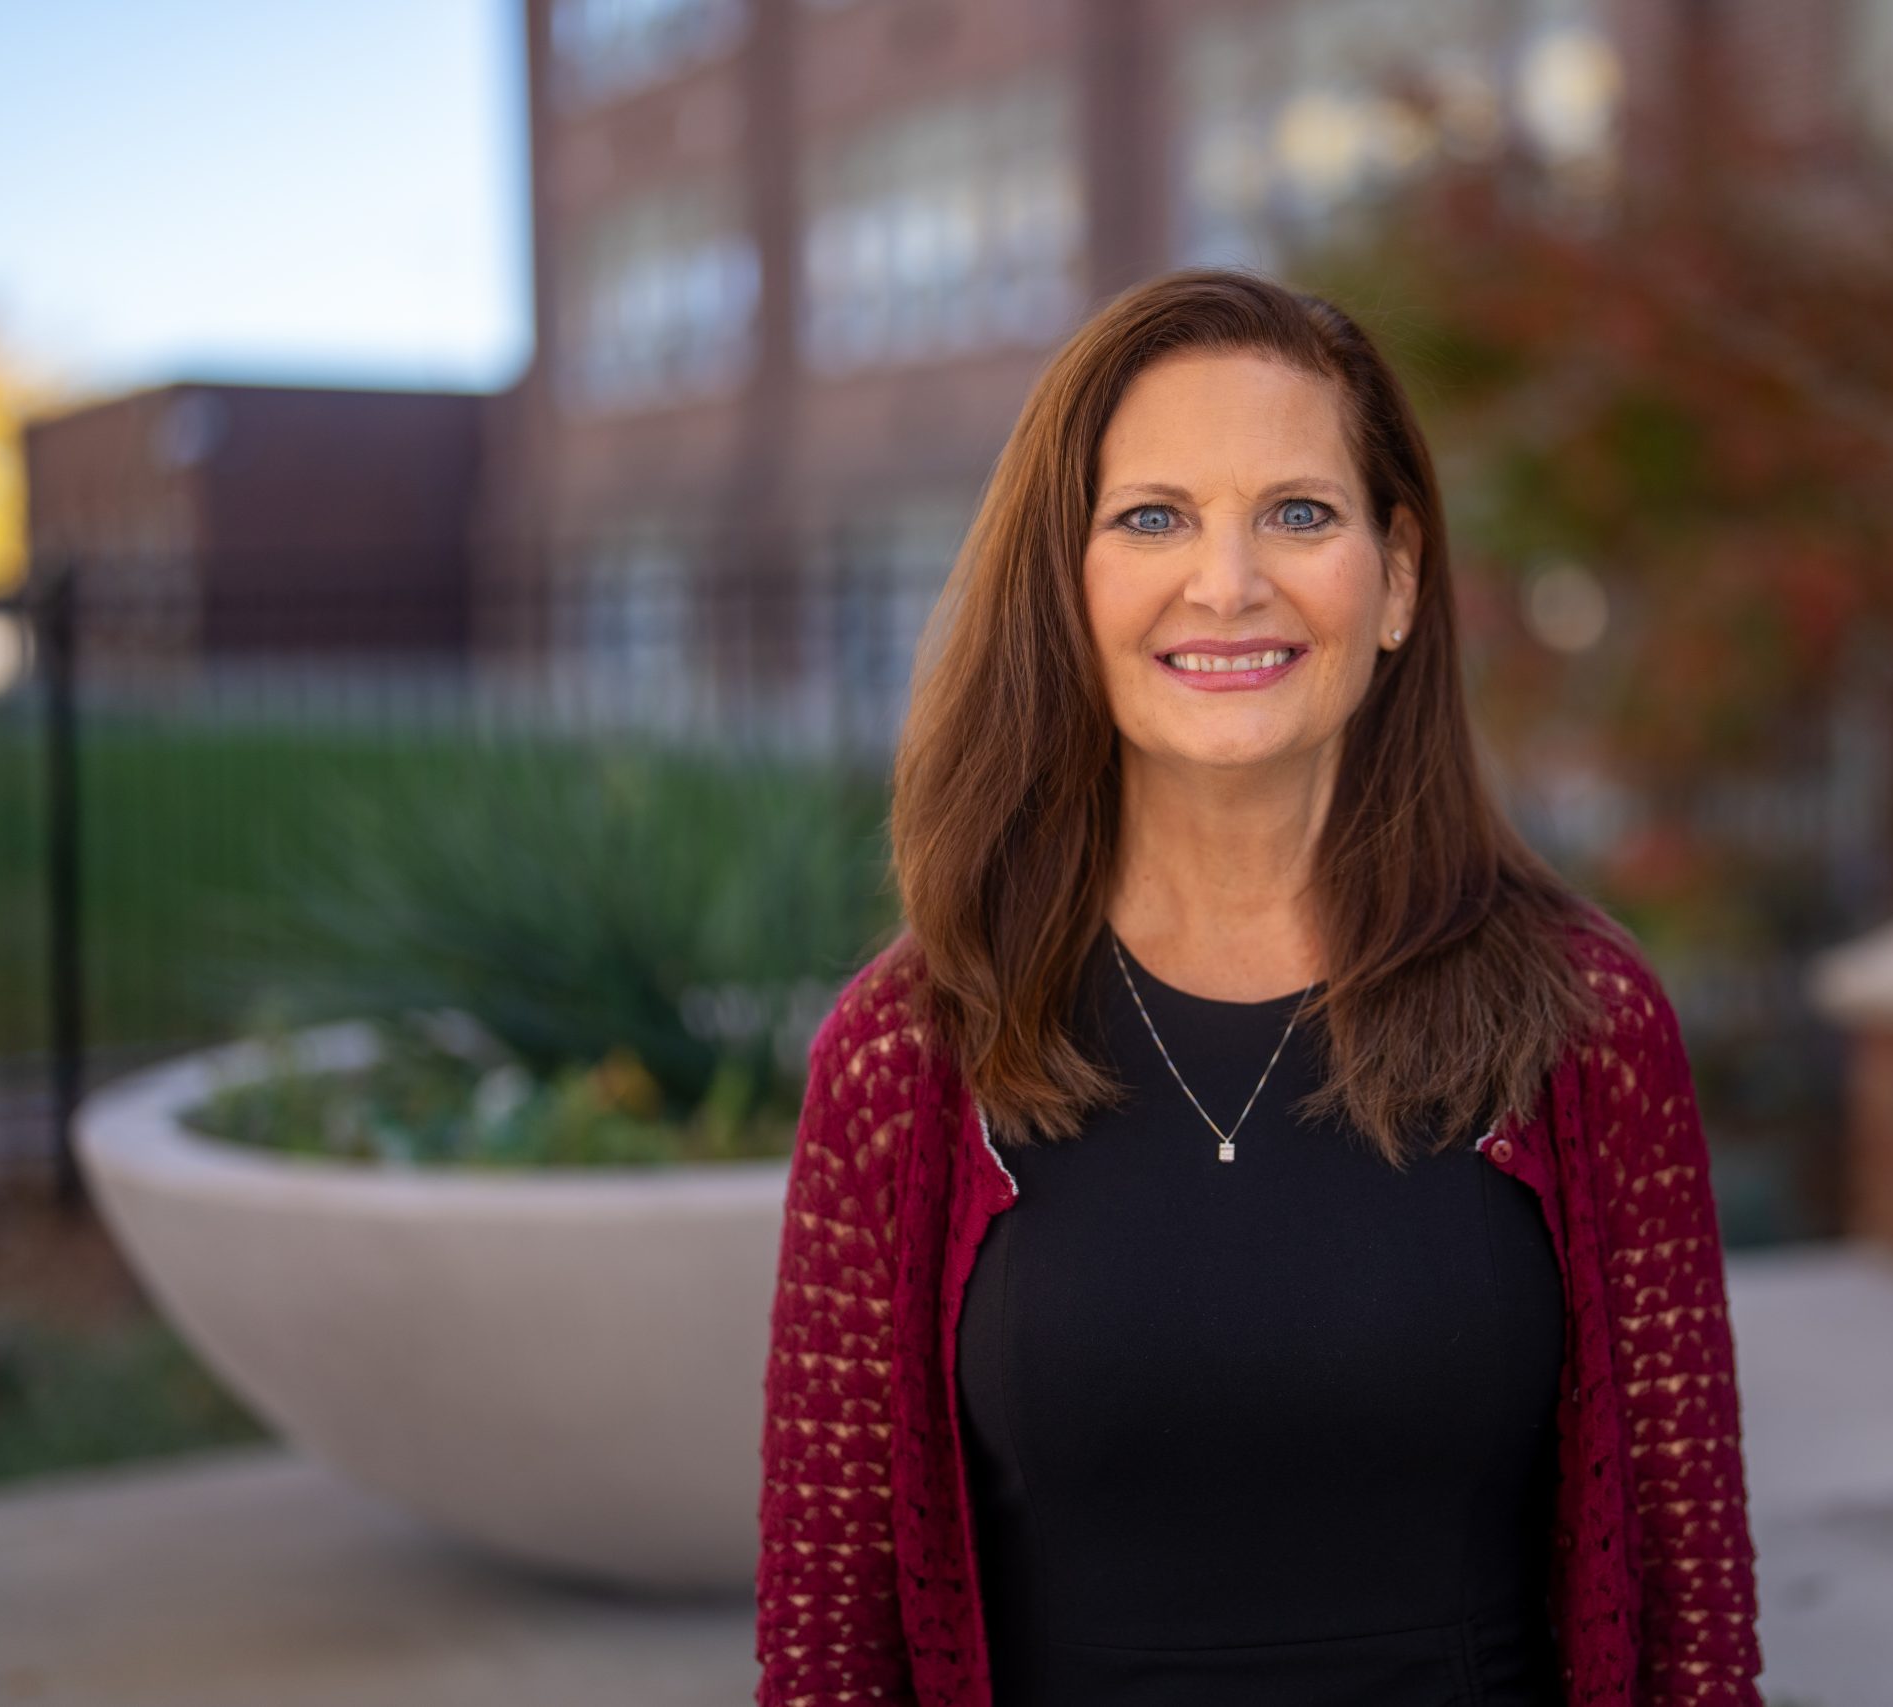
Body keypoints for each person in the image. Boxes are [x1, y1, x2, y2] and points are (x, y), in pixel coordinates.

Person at [755, 267, 1763, 1706]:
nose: (1227, 585)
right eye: (1153, 517)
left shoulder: (1584, 1025)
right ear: (1068, 577)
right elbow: (828, 1645)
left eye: (1298, 513)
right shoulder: (910, 1052)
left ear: (1398, 576)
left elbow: (1691, 1626)